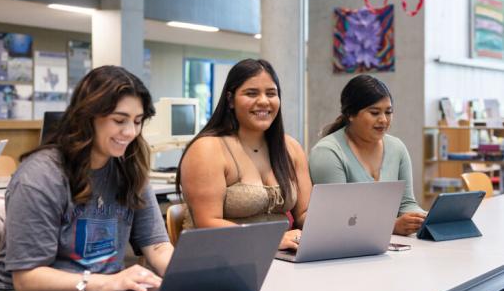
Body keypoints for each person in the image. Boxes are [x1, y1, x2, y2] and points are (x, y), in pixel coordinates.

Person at [0, 66, 173, 291]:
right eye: (119, 120)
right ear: (88, 117)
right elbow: (28, 278)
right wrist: (105, 284)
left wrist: (190, 279)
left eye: (137, 122)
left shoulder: (130, 168)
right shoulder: (41, 176)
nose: (130, 132)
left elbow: (157, 246)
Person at [177, 58, 312, 250]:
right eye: (251, 93)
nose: (264, 101)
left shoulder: (290, 147)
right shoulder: (207, 149)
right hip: (220, 257)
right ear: (230, 100)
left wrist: (334, 225)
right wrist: (271, 240)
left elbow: (304, 213)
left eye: (271, 93)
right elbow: (207, 223)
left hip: (279, 257)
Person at [309, 74, 425, 236]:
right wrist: (391, 226)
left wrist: (421, 219)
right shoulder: (328, 153)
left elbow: (406, 203)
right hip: (345, 248)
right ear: (351, 114)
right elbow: (337, 217)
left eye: (388, 112)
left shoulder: (397, 148)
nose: (384, 120)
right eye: (375, 112)